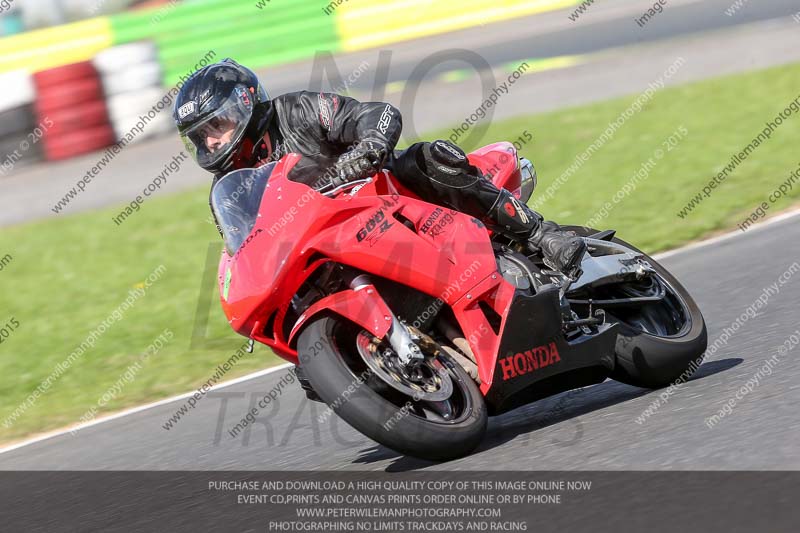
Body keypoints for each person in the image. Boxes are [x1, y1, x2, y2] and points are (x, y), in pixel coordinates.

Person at [173, 59, 586, 276]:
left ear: (245, 104)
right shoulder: (227, 188)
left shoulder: (295, 110)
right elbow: (247, 249)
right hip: (331, 246)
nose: (211, 141)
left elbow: (377, 114)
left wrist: (368, 146)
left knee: (422, 159)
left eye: (217, 125)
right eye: (201, 135)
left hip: (387, 200)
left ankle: (542, 233)